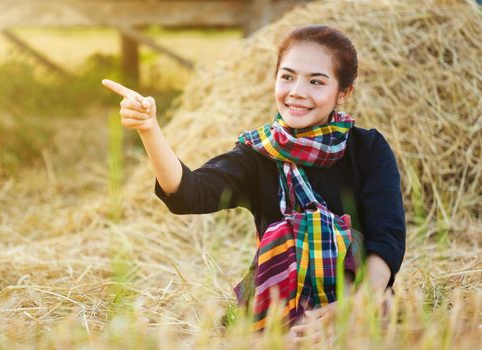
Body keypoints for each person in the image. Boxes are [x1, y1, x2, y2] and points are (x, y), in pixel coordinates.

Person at [102, 24, 405, 343]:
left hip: (360, 300)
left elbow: (386, 235)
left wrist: (358, 304)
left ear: (343, 92)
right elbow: (190, 193)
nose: (297, 91)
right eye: (287, 77)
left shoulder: (367, 149)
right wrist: (150, 130)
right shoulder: (257, 154)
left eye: (316, 81)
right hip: (280, 311)